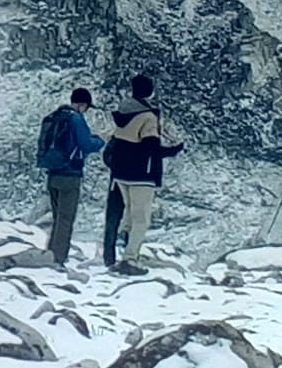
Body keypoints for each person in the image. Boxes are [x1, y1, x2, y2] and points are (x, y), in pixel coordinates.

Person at [99, 74, 184, 271]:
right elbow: (150, 148)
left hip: (121, 174)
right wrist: (174, 150)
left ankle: (124, 242)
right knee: (141, 218)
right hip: (141, 175)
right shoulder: (148, 117)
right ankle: (130, 258)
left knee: (129, 212)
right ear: (149, 91)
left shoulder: (123, 112)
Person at [36, 87, 102, 266]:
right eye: (86, 107)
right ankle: (57, 259)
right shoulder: (75, 119)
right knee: (66, 219)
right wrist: (100, 141)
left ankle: (50, 253)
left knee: (58, 218)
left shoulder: (55, 116)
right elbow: (86, 145)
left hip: (53, 173)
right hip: (70, 175)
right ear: (81, 105)